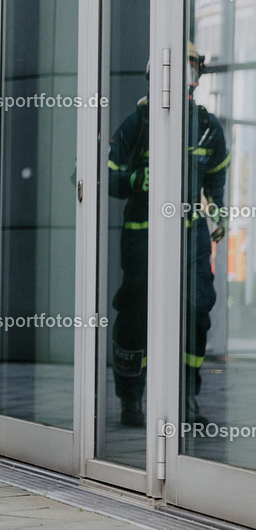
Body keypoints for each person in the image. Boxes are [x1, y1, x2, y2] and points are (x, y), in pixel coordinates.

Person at [108, 43, 229, 427]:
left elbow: (216, 179)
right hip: (142, 239)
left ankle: (185, 401)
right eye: (174, 69)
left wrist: (220, 212)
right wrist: (134, 178)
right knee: (136, 315)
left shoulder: (208, 127)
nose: (182, 78)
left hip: (191, 240)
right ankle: (132, 400)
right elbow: (108, 176)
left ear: (197, 77)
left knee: (195, 311)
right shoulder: (137, 123)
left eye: (189, 69)